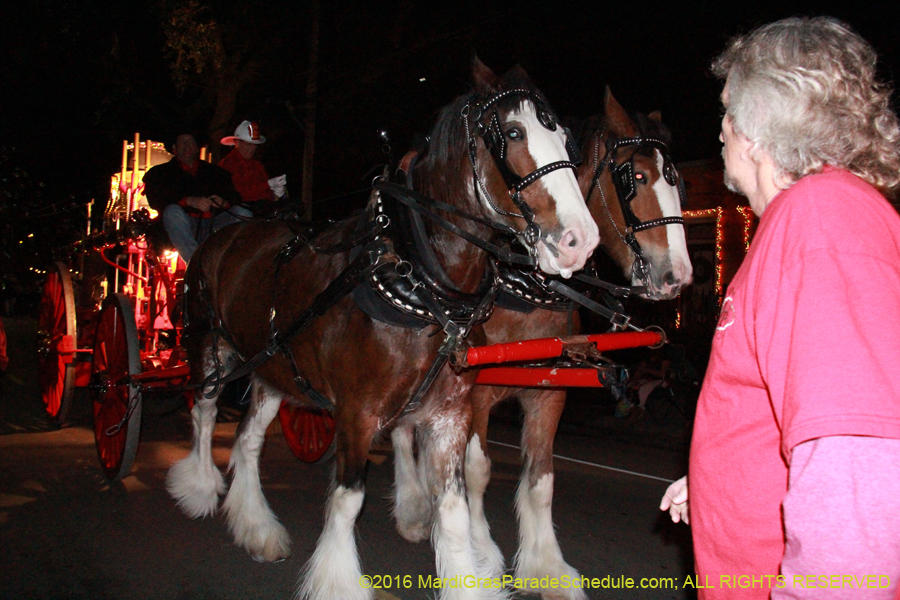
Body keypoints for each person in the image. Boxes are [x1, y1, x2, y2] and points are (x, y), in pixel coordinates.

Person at [660, 17, 900, 599]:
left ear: (758, 129)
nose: (719, 129)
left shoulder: (823, 222)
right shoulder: (802, 223)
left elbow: (856, 460)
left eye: (727, 110)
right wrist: (723, 479)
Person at [143, 133, 246, 263]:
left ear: (197, 147)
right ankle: (196, 264)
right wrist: (189, 201)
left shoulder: (215, 172)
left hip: (215, 224)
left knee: (243, 213)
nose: (187, 146)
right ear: (174, 148)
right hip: (184, 226)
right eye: (183, 142)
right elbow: (156, 199)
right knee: (171, 212)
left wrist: (223, 202)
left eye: (191, 142)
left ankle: (236, 263)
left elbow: (234, 197)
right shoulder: (159, 173)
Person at [218, 120, 287, 208]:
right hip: (237, 212)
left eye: (254, 145)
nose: (252, 149)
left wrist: (276, 194)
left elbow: (264, 193)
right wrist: (268, 184)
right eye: (248, 144)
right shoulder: (228, 163)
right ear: (237, 142)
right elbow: (238, 193)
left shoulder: (257, 165)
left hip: (258, 209)